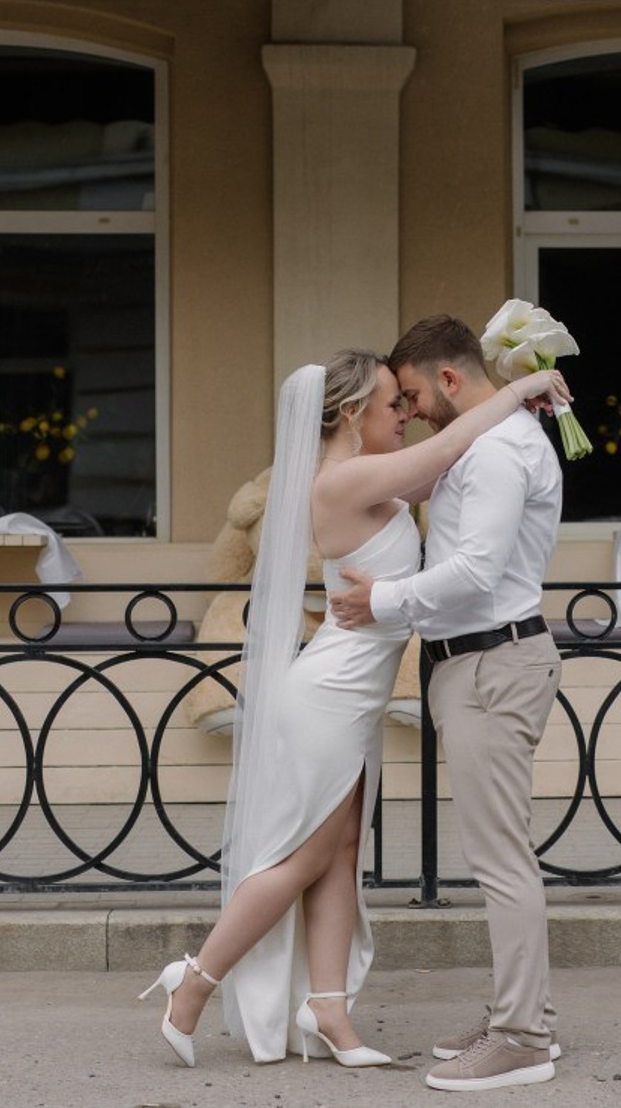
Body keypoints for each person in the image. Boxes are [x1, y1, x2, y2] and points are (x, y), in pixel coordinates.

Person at [139, 349, 568, 1069]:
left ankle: (331, 1016)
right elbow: (454, 442)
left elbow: (456, 457)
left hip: (352, 696)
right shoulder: (346, 479)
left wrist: (514, 411)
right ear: (348, 413)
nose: (403, 412)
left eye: (406, 401)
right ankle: (195, 981)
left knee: (341, 854)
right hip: (330, 695)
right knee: (304, 856)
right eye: (390, 402)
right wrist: (522, 386)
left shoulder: (370, 477)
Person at [329, 315, 565, 1093]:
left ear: (452, 380)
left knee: (500, 858)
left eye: (417, 393)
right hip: (479, 662)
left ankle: (523, 1037)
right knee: (499, 851)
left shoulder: (499, 450)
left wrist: (384, 600)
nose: (415, 409)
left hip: (493, 663)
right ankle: (516, 1012)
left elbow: (474, 569)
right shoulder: (488, 437)